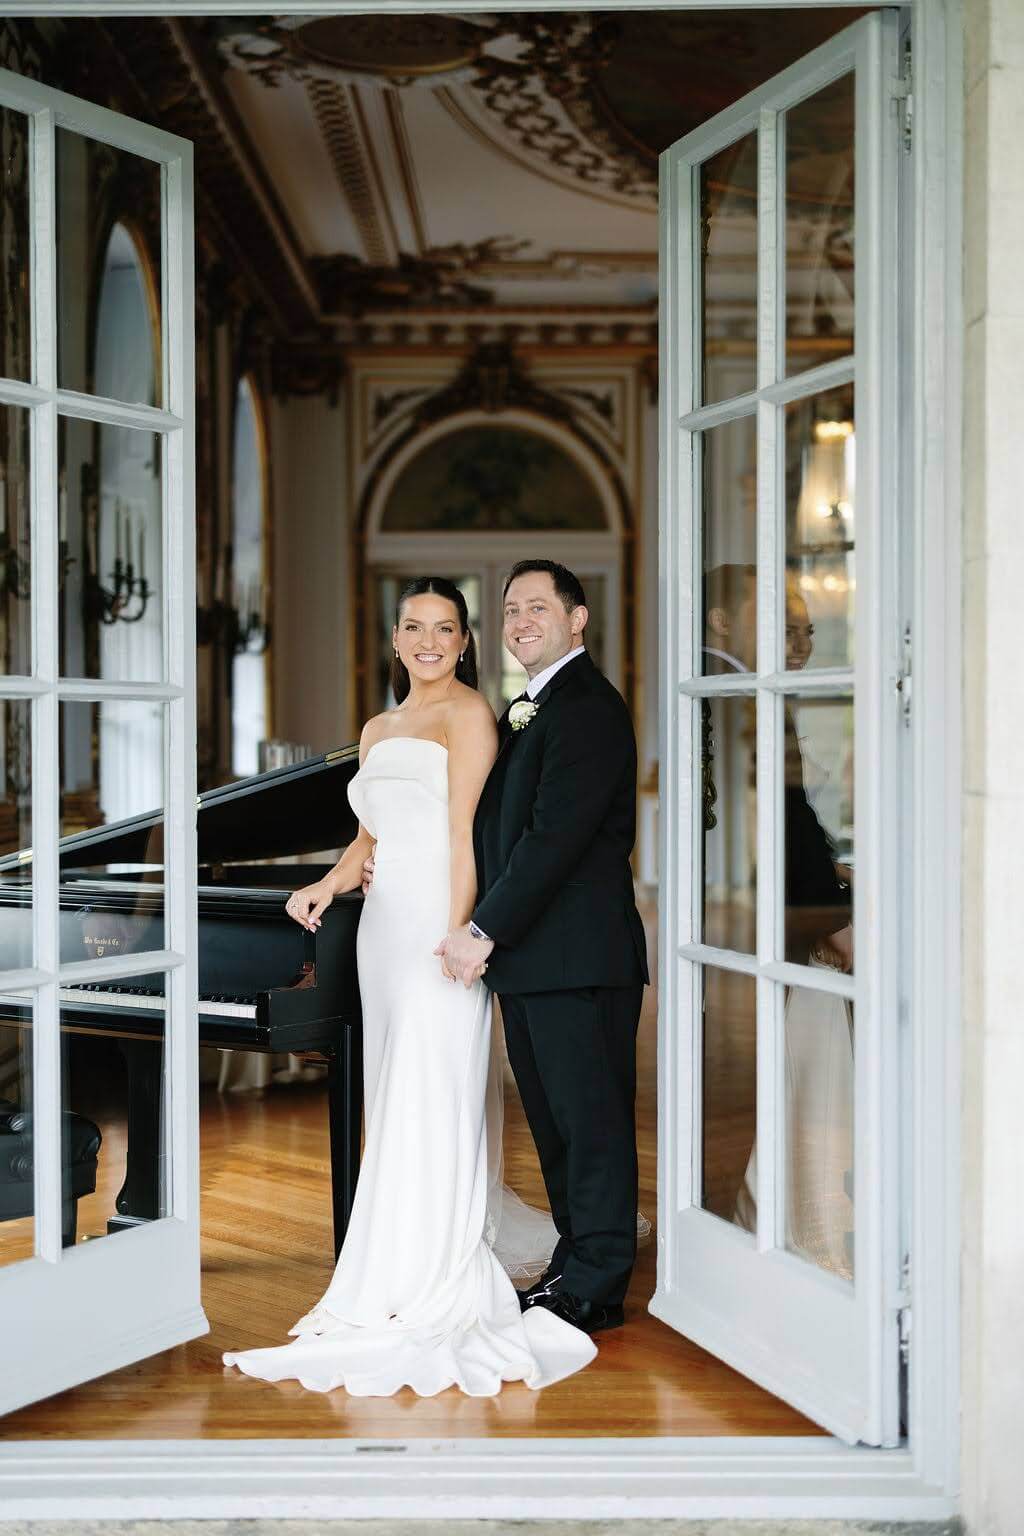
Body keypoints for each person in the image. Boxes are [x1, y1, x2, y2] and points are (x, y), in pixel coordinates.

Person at [222, 576, 596, 1397]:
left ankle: (424, 1261)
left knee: (433, 1087)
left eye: (448, 628)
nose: (430, 641)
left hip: (435, 925)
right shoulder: (377, 726)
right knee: (392, 1086)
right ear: (395, 639)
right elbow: (370, 834)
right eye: (416, 627)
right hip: (381, 933)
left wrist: (463, 936)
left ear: (465, 644)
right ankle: (394, 1244)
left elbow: (469, 838)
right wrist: (327, 884)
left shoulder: (469, 717)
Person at [436, 560, 649, 1335]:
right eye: (511, 609)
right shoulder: (530, 705)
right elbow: (497, 833)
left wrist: (482, 930)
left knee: (590, 1125)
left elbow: (551, 842)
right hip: (536, 960)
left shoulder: (587, 707)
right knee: (557, 1126)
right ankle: (575, 1262)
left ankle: (596, 1286)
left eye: (538, 607)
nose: (521, 620)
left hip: (579, 959)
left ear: (577, 617)